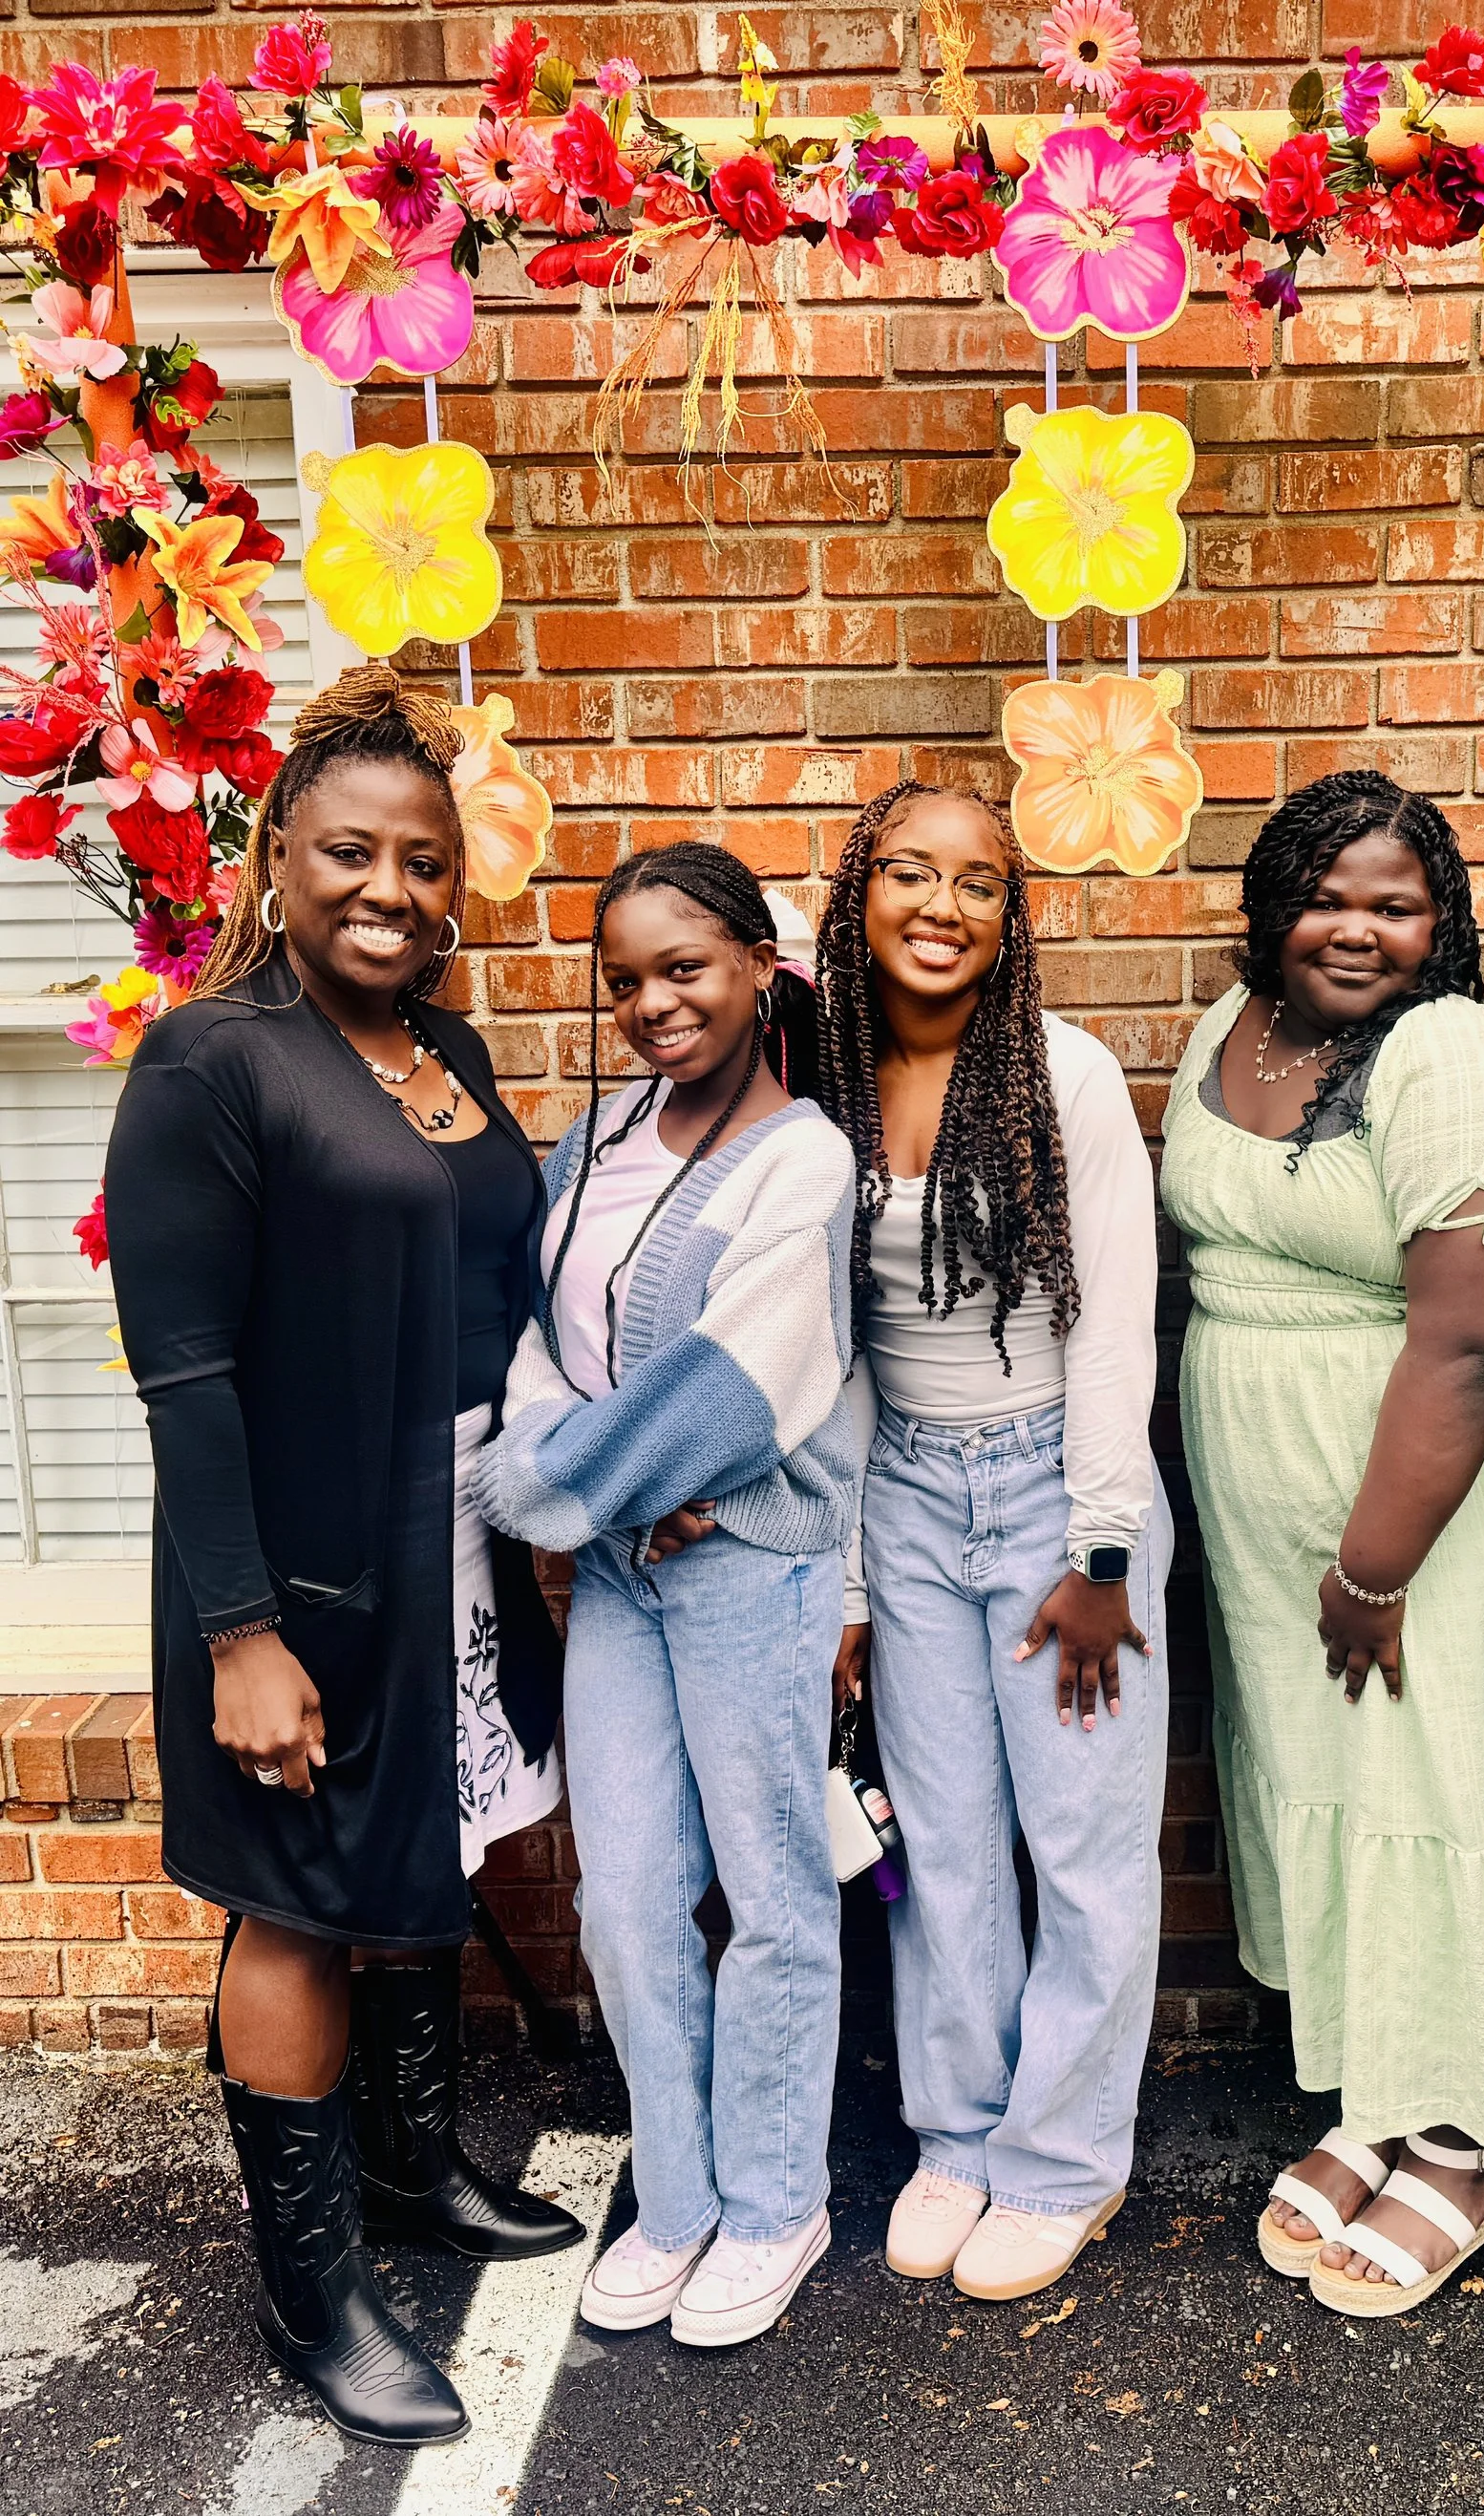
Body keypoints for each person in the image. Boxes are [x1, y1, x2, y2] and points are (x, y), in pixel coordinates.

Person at [104, 666, 580, 2450]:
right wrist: (239, 1631)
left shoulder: (440, 1051)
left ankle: (408, 2162)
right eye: (351, 854)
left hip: (445, 1524)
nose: (391, 889)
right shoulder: (215, 1063)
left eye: (426, 863)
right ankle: (314, 2286)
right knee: (297, 1902)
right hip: (295, 1568)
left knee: (419, 1843)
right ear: (276, 856)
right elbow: (186, 1368)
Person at [1157, 770, 1484, 2317]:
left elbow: (1468, 1339)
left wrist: (1374, 1566)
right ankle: (1376, 2100)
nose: (1354, 928)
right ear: (1267, 910)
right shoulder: (1227, 1032)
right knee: (1331, 1785)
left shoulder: (1447, 1053)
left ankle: (1467, 2138)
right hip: (1271, 1511)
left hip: (1424, 1518)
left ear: (1440, 922)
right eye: (1323, 896)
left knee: (1434, 1784)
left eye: (1394, 904)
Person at [474, 841, 860, 2351]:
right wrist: (575, 1472)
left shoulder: (803, 1157)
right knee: (628, 1899)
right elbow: (537, 1347)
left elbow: (741, 1386)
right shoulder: (592, 1141)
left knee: (770, 1898)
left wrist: (555, 1489)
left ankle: (776, 2202)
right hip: (630, 1574)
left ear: (762, 970)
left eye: (684, 967)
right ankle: (681, 2194)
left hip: (748, 1563)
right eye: (623, 977)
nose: (650, 1002)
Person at [816, 780, 1171, 2305]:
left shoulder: (1064, 1075)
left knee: (1082, 1845)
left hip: (1052, 1493)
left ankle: (1067, 2158)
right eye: (911, 872)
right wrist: (841, 1573)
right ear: (859, 893)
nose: (943, 905)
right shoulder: (817, 1077)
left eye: (978, 882)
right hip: (900, 1493)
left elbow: (1113, 1326)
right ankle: (959, 2131)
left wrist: (1099, 1556)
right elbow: (823, 1348)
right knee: (948, 1838)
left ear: (1012, 916)